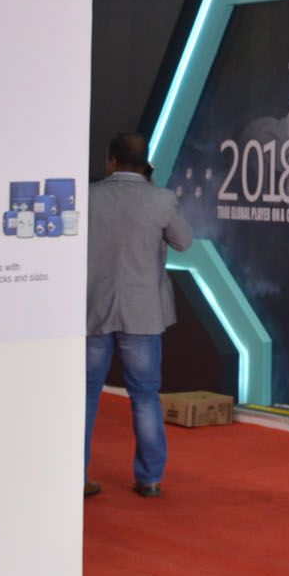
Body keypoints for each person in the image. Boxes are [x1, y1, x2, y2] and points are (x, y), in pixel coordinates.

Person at [85, 132, 194, 498]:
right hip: (142, 312)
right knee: (145, 396)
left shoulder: (89, 196)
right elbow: (184, 241)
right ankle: (149, 479)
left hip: (93, 309)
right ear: (145, 162)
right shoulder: (161, 199)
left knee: (85, 396)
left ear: (111, 161)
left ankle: (75, 476)